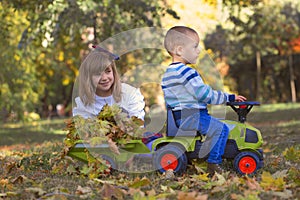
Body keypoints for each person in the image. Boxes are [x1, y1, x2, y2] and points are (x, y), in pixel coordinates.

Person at [162, 26, 247, 175]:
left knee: (214, 126)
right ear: (180, 50)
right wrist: (228, 98)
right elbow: (204, 95)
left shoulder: (168, 73)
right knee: (221, 129)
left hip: (180, 116)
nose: (199, 50)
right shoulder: (187, 72)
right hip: (192, 115)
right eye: (195, 46)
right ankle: (213, 163)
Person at [72, 46, 145, 120]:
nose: (104, 78)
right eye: (97, 73)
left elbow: (137, 124)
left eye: (108, 71)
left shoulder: (130, 94)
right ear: (88, 77)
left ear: (113, 72)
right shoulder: (83, 103)